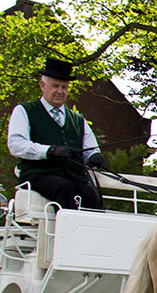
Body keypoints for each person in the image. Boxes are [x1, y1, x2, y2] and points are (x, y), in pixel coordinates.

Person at [7, 58, 106, 210]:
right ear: (42, 85)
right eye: (55, 86)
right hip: (39, 174)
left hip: (73, 177)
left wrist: (94, 156)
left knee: (92, 194)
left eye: (64, 87)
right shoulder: (25, 110)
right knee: (64, 187)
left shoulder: (78, 119)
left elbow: (90, 148)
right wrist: (50, 150)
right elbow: (16, 145)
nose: (60, 91)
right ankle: (67, 232)